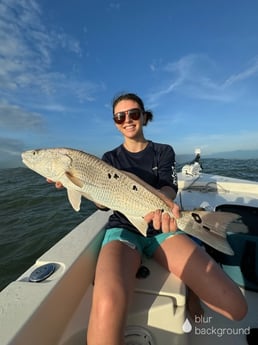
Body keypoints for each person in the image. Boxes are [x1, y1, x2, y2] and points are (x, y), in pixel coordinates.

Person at [50, 93, 247, 345]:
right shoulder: (109, 159)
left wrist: (162, 205)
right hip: (123, 230)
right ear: (115, 122)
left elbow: (169, 188)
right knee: (107, 303)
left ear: (144, 116)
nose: (127, 120)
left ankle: (190, 290)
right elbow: (101, 203)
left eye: (133, 114)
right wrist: (75, 185)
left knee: (236, 307)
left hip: (162, 228)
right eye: (120, 117)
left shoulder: (163, 151)